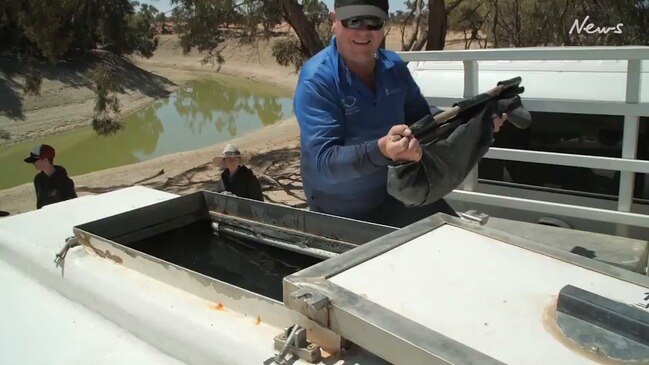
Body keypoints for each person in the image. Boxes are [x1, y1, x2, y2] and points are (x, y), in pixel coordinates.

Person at [293, 0, 507, 227]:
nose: (363, 31)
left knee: (459, 240)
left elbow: (422, 118)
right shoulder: (317, 80)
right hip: (339, 213)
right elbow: (324, 162)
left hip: (397, 195)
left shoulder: (393, 66)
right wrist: (382, 150)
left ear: (384, 25)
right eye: (353, 21)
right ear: (334, 22)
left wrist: (473, 121)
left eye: (373, 22)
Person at [23, 144, 77, 209]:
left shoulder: (66, 181)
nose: (33, 163)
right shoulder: (38, 179)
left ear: (45, 160)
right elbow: (40, 204)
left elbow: (73, 206)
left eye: (35, 161)